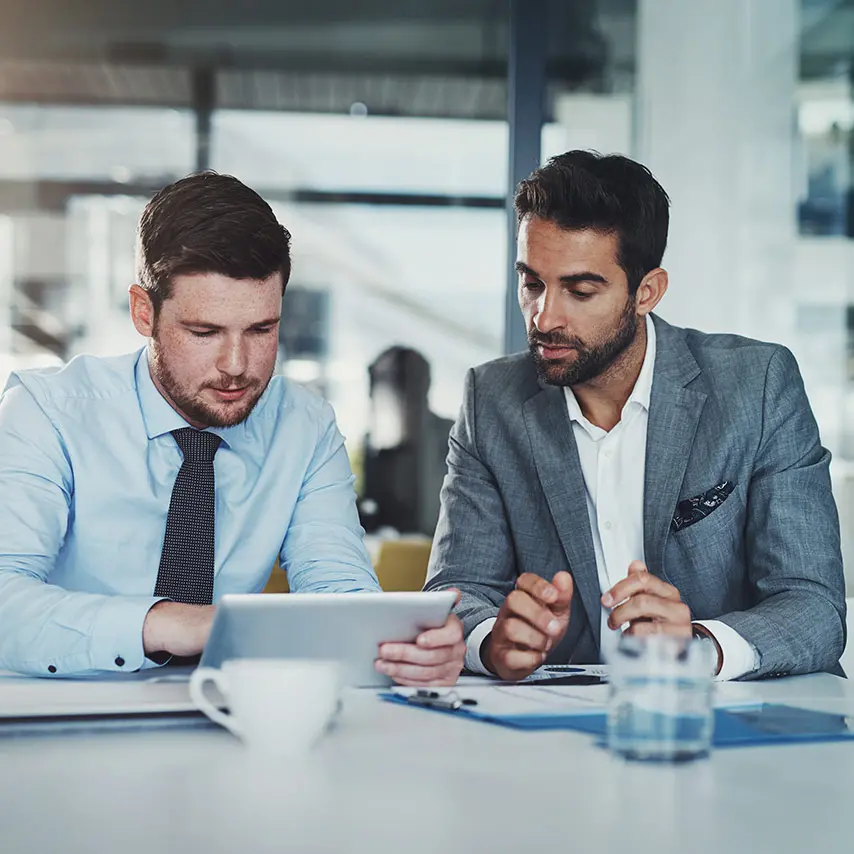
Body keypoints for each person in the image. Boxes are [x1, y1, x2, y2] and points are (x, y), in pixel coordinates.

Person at [0, 172, 464, 684]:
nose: (237, 365)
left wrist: (399, 646)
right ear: (143, 312)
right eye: (205, 332)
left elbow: (339, 591)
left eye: (262, 329)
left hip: (232, 706)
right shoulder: (46, 413)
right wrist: (169, 624)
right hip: (64, 703)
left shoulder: (304, 427)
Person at [424, 150, 846, 682]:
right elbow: (456, 591)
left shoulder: (756, 386)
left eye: (580, 291)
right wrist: (491, 641)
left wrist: (699, 647)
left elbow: (813, 606)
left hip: (729, 712)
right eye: (532, 284)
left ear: (647, 292)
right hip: (558, 715)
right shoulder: (490, 401)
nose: (544, 317)